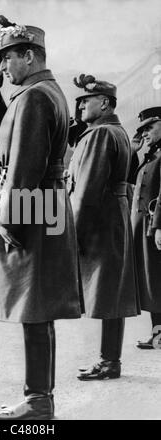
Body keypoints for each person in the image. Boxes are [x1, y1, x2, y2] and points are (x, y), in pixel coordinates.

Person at [0, 16, 82, 420]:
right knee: (36, 308)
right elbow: (12, 136)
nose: (2, 68)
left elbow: (23, 163)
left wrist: (9, 217)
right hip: (44, 204)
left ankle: (39, 401)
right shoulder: (41, 92)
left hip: (32, 206)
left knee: (34, 308)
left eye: (7, 59)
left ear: (30, 56)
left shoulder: (35, 97)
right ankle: (39, 398)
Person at [68, 74, 140, 380]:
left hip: (99, 219)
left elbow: (85, 188)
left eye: (87, 100)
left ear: (106, 104)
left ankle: (109, 361)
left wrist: (75, 232)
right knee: (114, 291)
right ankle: (110, 360)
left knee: (108, 291)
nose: (81, 105)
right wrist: (80, 115)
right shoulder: (117, 132)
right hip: (116, 215)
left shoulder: (99, 136)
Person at [129, 107, 161, 349]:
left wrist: (159, 225)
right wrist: (133, 151)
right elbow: (130, 181)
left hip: (155, 228)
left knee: (157, 280)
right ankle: (157, 331)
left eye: (149, 128)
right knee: (152, 281)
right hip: (145, 230)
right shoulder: (151, 155)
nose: (145, 133)